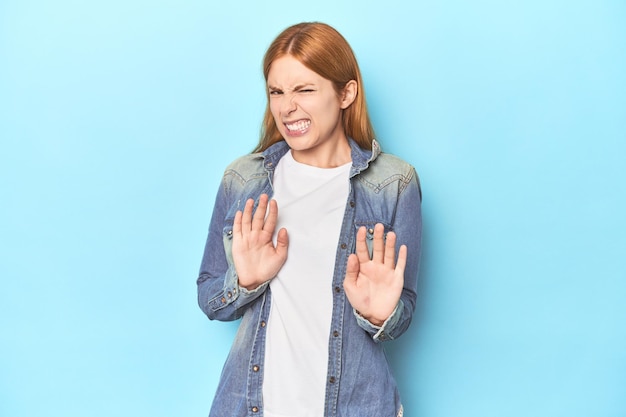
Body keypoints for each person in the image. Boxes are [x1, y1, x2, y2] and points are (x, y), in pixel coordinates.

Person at [197, 22, 422, 417]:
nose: (287, 107)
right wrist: (245, 281)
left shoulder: (393, 183)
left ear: (345, 93)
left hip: (356, 405)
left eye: (304, 90)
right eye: (277, 92)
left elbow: (399, 313)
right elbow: (210, 297)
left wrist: (379, 313)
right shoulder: (243, 178)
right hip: (250, 405)